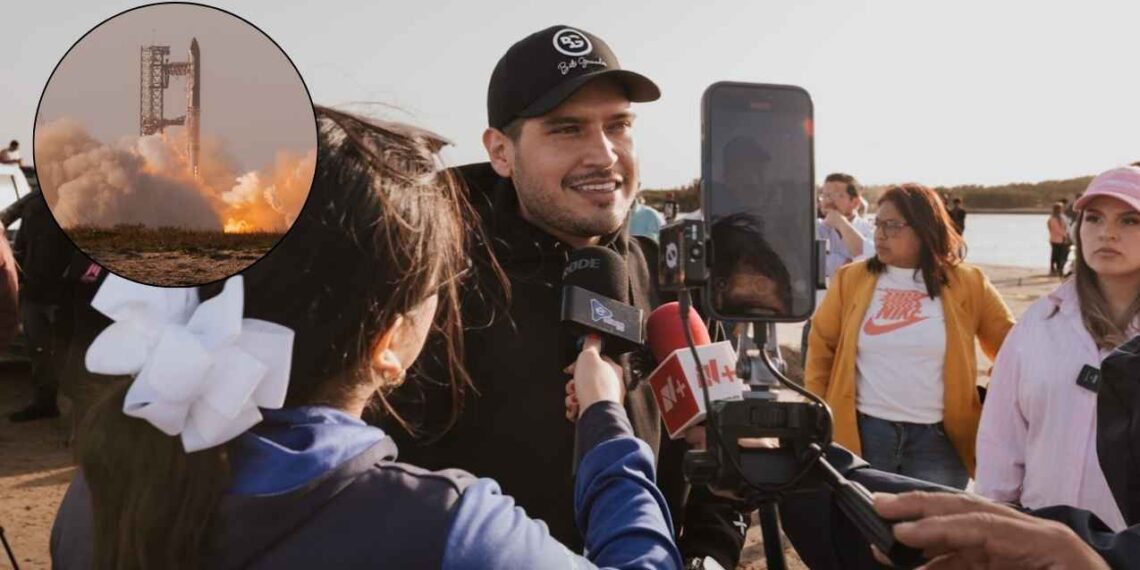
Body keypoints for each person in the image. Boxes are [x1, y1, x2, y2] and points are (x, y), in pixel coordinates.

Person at [49, 107, 682, 569]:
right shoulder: (444, 528)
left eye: (620, 122)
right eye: (437, 287)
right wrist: (604, 422)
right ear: (388, 340)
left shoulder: (102, 488)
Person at [381, 25, 747, 569]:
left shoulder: (677, 285)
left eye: (618, 125)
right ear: (501, 152)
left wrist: (709, 556)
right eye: (567, 129)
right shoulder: (427, 285)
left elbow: (719, 474)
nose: (603, 154)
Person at [804, 183, 1015, 489]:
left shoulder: (968, 282)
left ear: (925, 229)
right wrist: (821, 410)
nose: (880, 234)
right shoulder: (851, 279)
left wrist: (998, 401)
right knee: (864, 531)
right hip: (863, 436)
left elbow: (1014, 348)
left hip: (940, 443)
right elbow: (821, 346)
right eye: (879, 223)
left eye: (893, 225)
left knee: (934, 534)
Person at [976, 166, 1140, 533]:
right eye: (1093, 218)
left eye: (1130, 220)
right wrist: (996, 521)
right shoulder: (1040, 321)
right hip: (1037, 539)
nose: (1107, 233)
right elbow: (1001, 436)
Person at [8, 191, 74, 422]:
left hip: (63, 297)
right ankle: (44, 403)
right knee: (39, 353)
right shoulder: (34, 205)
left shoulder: (79, 202)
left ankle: (67, 412)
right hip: (34, 293)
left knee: (65, 355)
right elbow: (20, 244)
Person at [816, 172, 875, 281]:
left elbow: (872, 264)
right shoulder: (815, 227)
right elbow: (808, 261)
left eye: (837, 195)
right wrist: (845, 262)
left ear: (855, 202)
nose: (828, 200)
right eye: (825, 195)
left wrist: (841, 223)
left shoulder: (869, 229)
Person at [1049, 201, 1072, 276]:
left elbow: (1067, 226)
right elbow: (1057, 229)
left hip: (1062, 239)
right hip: (1057, 240)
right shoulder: (1053, 219)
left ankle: (1060, 269)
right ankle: (1056, 269)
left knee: (1062, 255)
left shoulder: (1063, 217)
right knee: (1056, 255)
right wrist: (1066, 235)